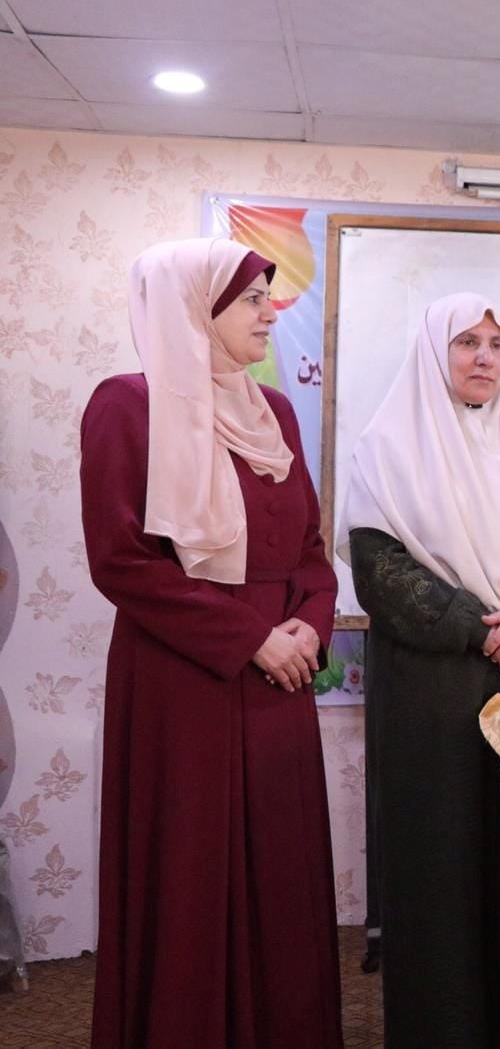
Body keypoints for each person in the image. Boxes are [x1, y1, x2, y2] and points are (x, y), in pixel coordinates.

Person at [80, 237, 342, 1048]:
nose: (270, 314)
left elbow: (309, 550)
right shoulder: (128, 405)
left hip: (280, 680)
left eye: (268, 297)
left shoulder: (276, 412)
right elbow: (120, 560)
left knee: (279, 871)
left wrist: (309, 625)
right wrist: (250, 638)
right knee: (191, 872)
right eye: (252, 299)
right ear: (197, 307)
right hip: (183, 681)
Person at [342, 293, 500, 1049]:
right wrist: (485, 630)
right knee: (442, 879)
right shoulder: (389, 446)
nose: (485, 357)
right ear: (434, 351)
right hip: (437, 695)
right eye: (466, 342)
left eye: (496, 343)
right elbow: (378, 569)